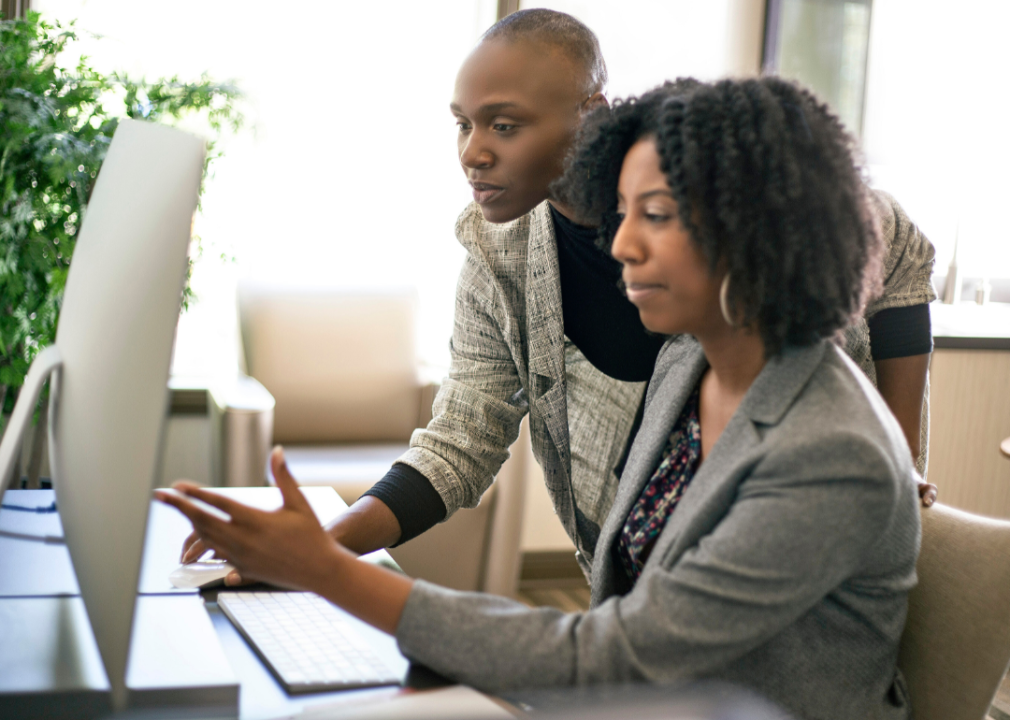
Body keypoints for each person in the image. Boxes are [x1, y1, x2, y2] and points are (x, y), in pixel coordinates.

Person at [159, 77, 920, 720]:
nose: (621, 244)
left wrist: (325, 569)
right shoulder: (692, 367)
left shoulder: (830, 449)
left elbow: (623, 652)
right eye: (622, 213)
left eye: (654, 215)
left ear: (757, 229)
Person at [182, 9, 936, 583]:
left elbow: (898, 243)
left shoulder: (707, 202)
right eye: (463, 124)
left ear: (592, 112)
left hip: (785, 563)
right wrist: (321, 544)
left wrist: (898, 455)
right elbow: (462, 439)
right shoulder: (497, 249)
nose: (473, 151)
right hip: (633, 590)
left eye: (503, 125)